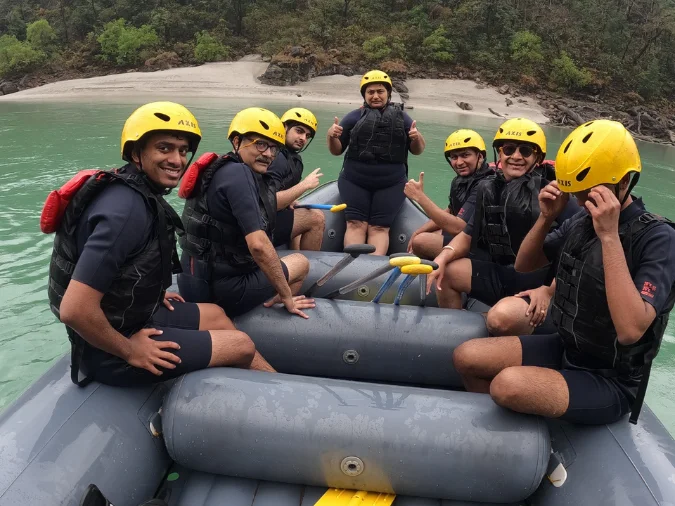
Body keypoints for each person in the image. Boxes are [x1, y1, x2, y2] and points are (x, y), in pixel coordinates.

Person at [453, 120, 675, 425]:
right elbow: (525, 265)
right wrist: (546, 217)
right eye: (577, 192)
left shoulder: (658, 238)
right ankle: (499, 441)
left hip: (610, 379)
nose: (581, 201)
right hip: (566, 347)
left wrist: (609, 236)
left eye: (588, 192)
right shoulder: (581, 221)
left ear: (624, 183)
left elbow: (630, 330)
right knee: (467, 357)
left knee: (507, 384)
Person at [44, 102, 275, 388]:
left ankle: (263, 386)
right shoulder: (125, 211)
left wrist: (149, 290)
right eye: (164, 148)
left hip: (131, 315)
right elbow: (74, 310)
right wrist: (130, 351)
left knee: (216, 314)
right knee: (240, 344)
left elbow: (120, 266)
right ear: (136, 153)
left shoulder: (131, 189)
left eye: (182, 150)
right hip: (110, 349)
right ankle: (278, 398)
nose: (177, 160)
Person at [427, 118, 579, 320]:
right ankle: (455, 330)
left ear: (538, 158)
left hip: (537, 283)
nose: (516, 157)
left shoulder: (555, 194)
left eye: (525, 151)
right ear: (499, 153)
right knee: (445, 273)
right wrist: (442, 258)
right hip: (499, 272)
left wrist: (548, 290)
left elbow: (577, 254)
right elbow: (467, 235)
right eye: (508, 150)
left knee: (500, 320)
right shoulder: (489, 188)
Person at [178, 107, 314, 318]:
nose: (268, 154)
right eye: (260, 144)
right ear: (236, 141)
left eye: (273, 148)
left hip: (193, 280)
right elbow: (258, 246)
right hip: (222, 292)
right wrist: (286, 294)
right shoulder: (239, 174)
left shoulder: (221, 168)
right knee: (301, 263)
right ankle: (275, 312)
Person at [327, 69, 426, 255]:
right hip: (354, 181)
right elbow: (336, 150)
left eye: (380, 91)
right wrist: (331, 136)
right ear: (364, 95)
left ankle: (372, 269)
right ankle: (351, 267)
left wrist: (416, 137)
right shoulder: (353, 117)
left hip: (391, 183)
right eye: (370, 92)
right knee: (355, 224)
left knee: (379, 228)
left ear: (388, 93)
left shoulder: (403, 118)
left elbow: (418, 150)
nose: (375, 96)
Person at [405, 129, 494, 259]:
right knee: (421, 235)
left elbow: (458, 227)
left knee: (421, 241)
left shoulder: (486, 185)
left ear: (480, 156)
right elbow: (451, 210)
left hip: (480, 247)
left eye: (465, 155)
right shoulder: (460, 180)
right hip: (464, 238)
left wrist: (420, 197)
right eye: (454, 157)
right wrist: (418, 230)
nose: (459, 162)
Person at [267, 107, 325, 250]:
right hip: (260, 226)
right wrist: (304, 185)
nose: (303, 138)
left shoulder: (292, 159)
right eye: (299, 131)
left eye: (307, 135)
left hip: (268, 219)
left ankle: (297, 256)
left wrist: (290, 200)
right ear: (284, 127)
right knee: (316, 218)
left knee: (296, 210)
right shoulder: (275, 157)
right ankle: (310, 268)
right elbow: (270, 202)